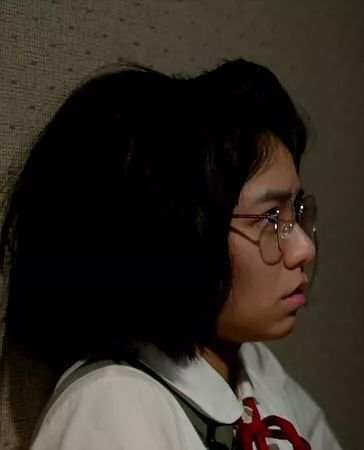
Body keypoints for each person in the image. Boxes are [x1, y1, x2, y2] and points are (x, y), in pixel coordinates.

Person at [1, 59, 341, 449]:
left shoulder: (256, 370)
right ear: (174, 234)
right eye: (270, 217)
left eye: (296, 211)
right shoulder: (115, 407)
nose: (303, 249)